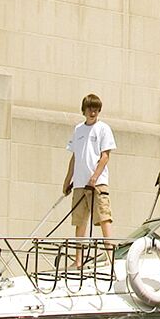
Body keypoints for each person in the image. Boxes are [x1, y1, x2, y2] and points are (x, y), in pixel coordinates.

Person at [62, 94, 116, 241]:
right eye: (90, 109)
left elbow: (105, 156)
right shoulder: (78, 129)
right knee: (80, 222)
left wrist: (94, 177)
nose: (93, 113)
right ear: (84, 110)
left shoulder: (103, 128)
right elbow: (74, 157)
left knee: (104, 217)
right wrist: (67, 180)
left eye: (96, 110)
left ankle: (110, 256)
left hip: (97, 183)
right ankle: (78, 260)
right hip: (79, 183)